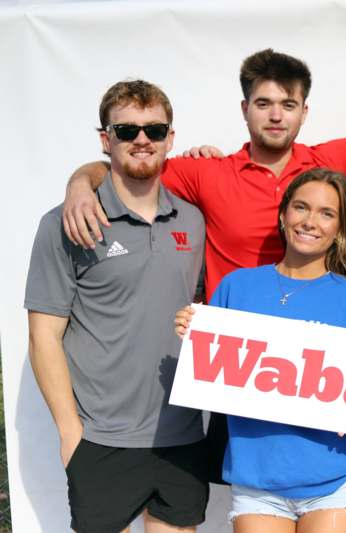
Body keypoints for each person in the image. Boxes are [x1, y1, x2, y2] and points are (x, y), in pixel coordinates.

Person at [61, 48, 346, 483]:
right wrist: (81, 183)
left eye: (288, 104)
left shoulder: (329, 159)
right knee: (259, 488)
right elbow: (136, 160)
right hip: (246, 369)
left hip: (329, 370)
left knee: (332, 477)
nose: (276, 115)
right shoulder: (207, 172)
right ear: (245, 109)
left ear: (304, 112)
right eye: (264, 103)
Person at [25, 80, 208, 532]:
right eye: (126, 131)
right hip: (102, 439)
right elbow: (43, 335)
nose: (141, 140)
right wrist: (71, 433)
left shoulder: (192, 219)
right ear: (106, 140)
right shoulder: (66, 222)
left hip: (180, 436)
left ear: (171, 138)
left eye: (154, 130)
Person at [175, 168, 346, 533]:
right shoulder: (237, 287)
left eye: (326, 213)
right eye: (301, 207)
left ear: (340, 228)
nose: (310, 221)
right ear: (283, 215)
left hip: (335, 480)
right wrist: (192, 336)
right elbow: (211, 377)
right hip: (257, 484)